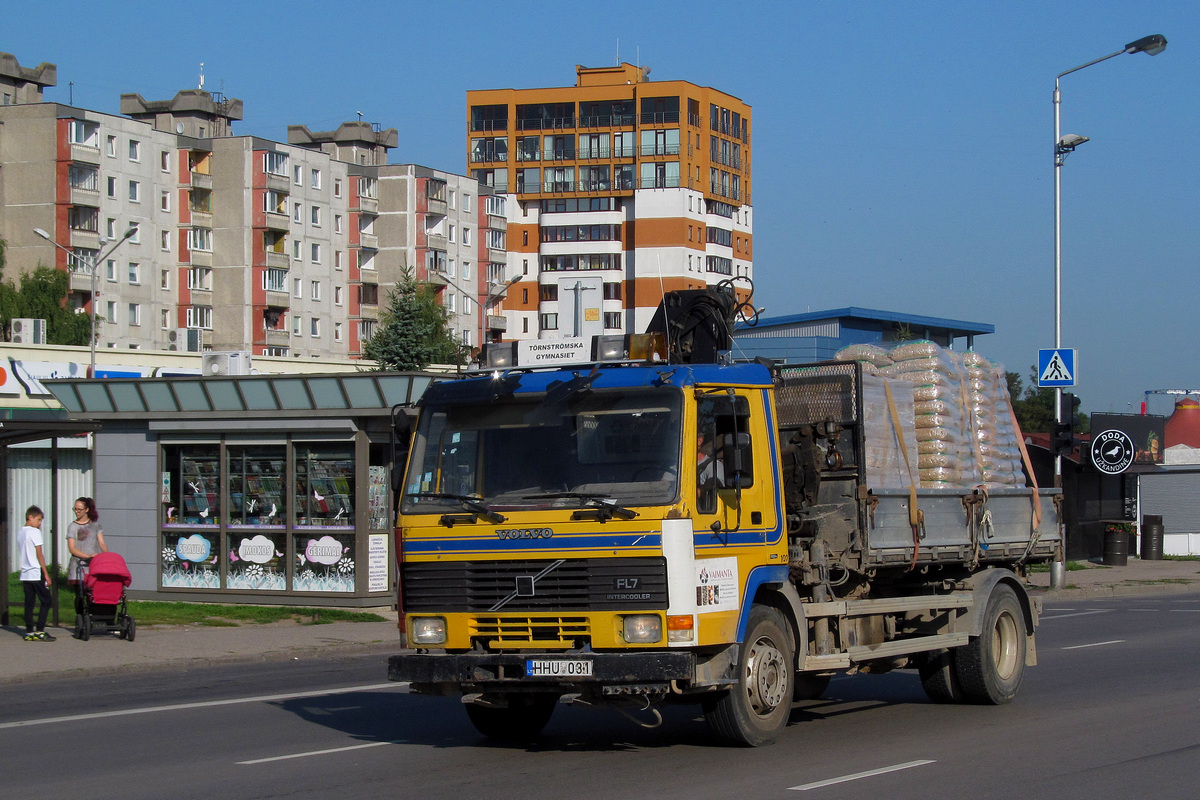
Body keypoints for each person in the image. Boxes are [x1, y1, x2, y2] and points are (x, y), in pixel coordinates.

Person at [17, 505, 56, 642]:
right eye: (38, 520)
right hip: (35, 571)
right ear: (30, 517)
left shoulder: (21, 532)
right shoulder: (34, 532)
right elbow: (39, 553)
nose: (39, 523)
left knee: (29, 602)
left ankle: (29, 631)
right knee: (46, 600)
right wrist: (45, 573)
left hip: (25, 573)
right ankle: (40, 630)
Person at [67, 496, 107, 585]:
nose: (76, 512)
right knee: (79, 594)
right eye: (75, 509)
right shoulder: (73, 527)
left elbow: (102, 543)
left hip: (93, 564)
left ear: (86, 510)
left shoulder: (95, 525)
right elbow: (72, 548)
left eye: (79, 510)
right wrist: (87, 556)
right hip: (78, 564)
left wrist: (105, 556)